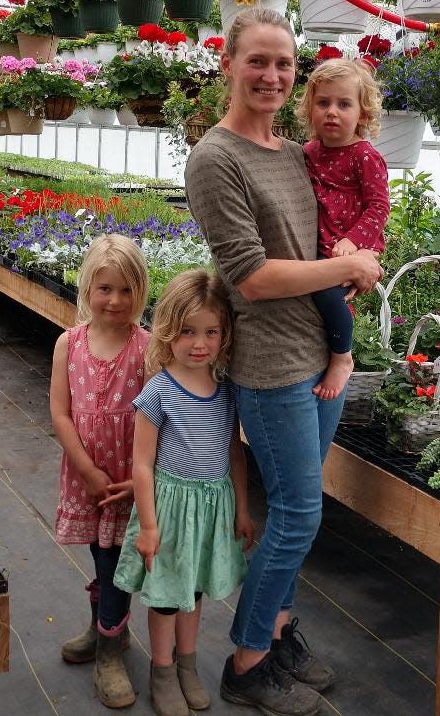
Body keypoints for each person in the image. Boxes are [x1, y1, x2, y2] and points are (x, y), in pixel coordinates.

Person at [183, 7, 384, 716]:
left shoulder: (298, 153)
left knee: (300, 508)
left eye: (283, 63)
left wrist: (356, 264)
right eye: (258, 61)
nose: (271, 75)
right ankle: (246, 661)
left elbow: (341, 223)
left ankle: (276, 628)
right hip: (269, 363)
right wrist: (345, 270)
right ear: (229, 65)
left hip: (318, 356)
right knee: (297, 513)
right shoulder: (216, 158)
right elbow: (253, 278)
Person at [105, 270, 254, 716]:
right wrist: (148, 526)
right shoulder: (159, 392)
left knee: (195, 590)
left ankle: (187, 665)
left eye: (211, 332)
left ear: (224, 335)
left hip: (212, 506)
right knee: (169, 595)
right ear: (169, 330)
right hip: (170, 509)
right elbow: (142, 465)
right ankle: (163, 670)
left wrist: (242, 508)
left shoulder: (226, 392)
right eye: (188, 331)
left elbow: (234, 453)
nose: (199, 343)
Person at [49, 234, 150, 709]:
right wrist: (87, 471)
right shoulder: (68, 344)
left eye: (127, 290)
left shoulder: (148, 348)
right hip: (89, 476)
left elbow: (157, 419)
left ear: (142, 292)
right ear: (88, 288)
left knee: (119, 563)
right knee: (100, 554)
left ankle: (110, 648)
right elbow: (61, 413)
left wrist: (139, 477)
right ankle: (104, 628)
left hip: (131, 478)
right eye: (105, 288)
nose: (115, 300)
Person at [297, 57, 390, 400]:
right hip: (323, 244)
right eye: (323, 103)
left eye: (344, 104)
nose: (332, 112)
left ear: (363, 114)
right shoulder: (307, 153)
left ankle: (342, 357)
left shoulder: (364, 156)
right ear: (310, 110)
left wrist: (354, 241)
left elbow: (379, 206)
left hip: (356, 243)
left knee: (326, 294)